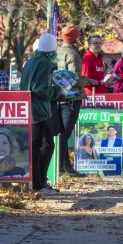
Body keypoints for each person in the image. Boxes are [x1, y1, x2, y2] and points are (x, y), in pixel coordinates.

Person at [20, 32, 64, 195]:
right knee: (41, 147)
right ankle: (38, 185)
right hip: (37, 111)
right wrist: (58, 90)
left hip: (31, 109)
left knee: (45, 145)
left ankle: (39, 182)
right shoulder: (45, 63)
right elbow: (40, 89)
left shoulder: (31, 61)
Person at [56, 25, 86, 177]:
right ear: (76, 39)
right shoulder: (73, 54)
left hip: (58, 98)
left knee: (61, 133)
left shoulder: (57, 52)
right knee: (64, 134)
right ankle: (63, 168)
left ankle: (65, 167)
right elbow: (73, 79)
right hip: (72, 98)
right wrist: (89, 80)